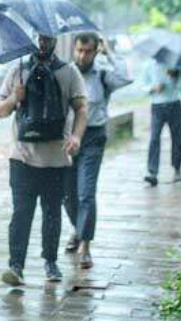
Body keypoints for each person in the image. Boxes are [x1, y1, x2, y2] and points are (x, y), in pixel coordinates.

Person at [0, 34, 88, 286]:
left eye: (46, 37)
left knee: (52, 213)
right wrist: (16, 98)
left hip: (57, 159)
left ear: (55, 39)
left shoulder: (68, 72)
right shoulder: (17, 70)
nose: (42, 42)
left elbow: (81, 107)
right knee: (21, 214)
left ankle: (51, 262)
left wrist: (77, 137)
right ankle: (16, 266)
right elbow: (0, 111)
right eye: (38, 36)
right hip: (21, 158)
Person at [63, 33, 130, 270]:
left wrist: (109, 51)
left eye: (88, 51)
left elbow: (125, 77)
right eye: (79, 50)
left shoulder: (102, 74)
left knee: (85, 193)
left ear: (95, 51)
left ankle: (85, 246)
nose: (83, 55)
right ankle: (78, 230)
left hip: (93, 137)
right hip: (67, 139)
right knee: (67, 194)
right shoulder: (67, 73)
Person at [143, 58, 181, 186]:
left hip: (174, 104)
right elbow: (143, 85)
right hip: (157, 106)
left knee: (177, 138)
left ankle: (177, 168)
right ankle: (152, 172)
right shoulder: (148, 65)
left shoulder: (175, 64)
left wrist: (174, 77)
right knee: (154, 138)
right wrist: (153, 88)